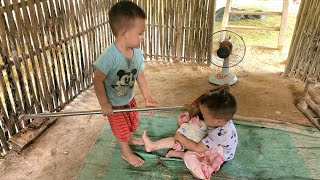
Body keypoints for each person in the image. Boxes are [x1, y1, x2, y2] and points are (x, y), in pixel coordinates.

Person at [93, 1, 157, 167]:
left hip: (129, 99)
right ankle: (126, 153)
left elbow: (140, 76)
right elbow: (97, 79)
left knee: (132, 124)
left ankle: (130, 138)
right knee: (121, 131)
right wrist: (104, 103)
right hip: (114, 105)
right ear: (124, 33)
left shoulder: (137, 54)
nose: (142, 37)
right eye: (140, 33)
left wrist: (148, 97)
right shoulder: (109, 56)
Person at [142, 87, 237, 178]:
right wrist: (187, 123)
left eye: (204, 116)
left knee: (189, 156)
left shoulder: (220, 134)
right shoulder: (220, 120)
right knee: (184, 137)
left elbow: (198, 148)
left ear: (218, 121)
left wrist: (180, 137)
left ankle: (183, 156)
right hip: (208, 142)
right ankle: (153, 146)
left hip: (216, 156)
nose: (202, 117)